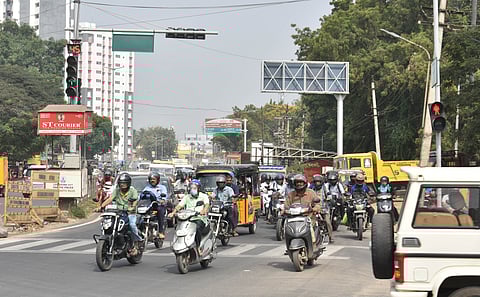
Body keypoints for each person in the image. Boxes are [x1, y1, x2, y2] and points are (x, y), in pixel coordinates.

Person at [168, 179, 210, 254]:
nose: (192, 189)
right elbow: (180, 205)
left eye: (194, 188)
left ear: (198, 188)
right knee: (178, 227)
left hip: (199, 218)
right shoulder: (187, 197)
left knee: (197, 228)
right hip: (187, 218)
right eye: (191, 188)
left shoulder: (203, 196)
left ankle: (198, 246)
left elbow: (207, 204)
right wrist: (173, 212)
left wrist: (204, 210)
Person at [106, 173, 142, 254]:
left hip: (130, 213)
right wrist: (100, 206)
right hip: (119, 212)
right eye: (121, 183)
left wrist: (132, 207)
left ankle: (137, 241)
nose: (122, 185)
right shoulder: (117, 190)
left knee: (132, 225)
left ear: (128, 183)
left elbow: (135, 200)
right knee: (110, 224)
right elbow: (110, 199)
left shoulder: (132, 190)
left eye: (124, 183)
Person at [284, 174, 322, 243]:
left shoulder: (311, 193)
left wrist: (313, 209)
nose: (299, 184)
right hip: (294, 218)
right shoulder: (291, 195)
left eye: (301, 182)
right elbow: (286, 206)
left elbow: (318, 205)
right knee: (287, 228)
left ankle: (313, 244)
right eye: (297, 182)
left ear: (305, 183)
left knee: (311, 229)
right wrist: (284, 211)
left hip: (308, 218)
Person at [142, 172, 169, 239]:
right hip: (148, 206)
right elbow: (141, 196)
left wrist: (162, 200)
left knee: (160, 211)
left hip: (158, 206)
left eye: (154, 179)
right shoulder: (147, 188)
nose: (152, 181)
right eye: (151, 179)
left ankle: (160, 231)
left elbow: (164, 196)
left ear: (158, 180)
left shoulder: (162, 187)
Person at [310, 174, 334, 243]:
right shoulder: (311, 188)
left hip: (323, 208)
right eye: (316, 182)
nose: (317, 184)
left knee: (328, 222)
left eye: (319, 182)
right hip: (313, 209)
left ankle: (331, 237)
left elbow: (329, 194)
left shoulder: (324, 187)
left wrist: (329, 198)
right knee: (310, 223)